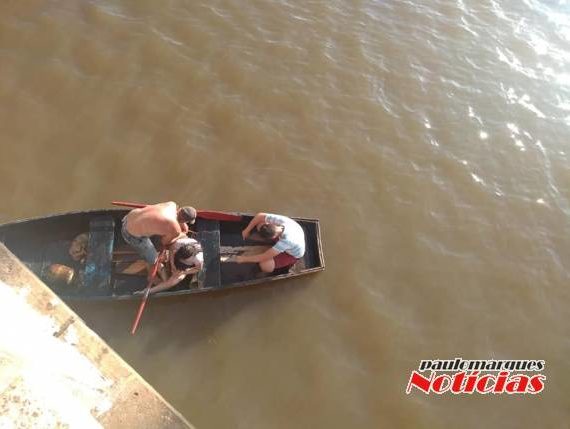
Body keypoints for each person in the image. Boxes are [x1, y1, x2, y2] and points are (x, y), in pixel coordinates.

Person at [121, 201, 197, 272]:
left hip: (128, 218)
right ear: (185, 220)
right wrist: (181, 234)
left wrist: (182, 224)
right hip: (129, 234)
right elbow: (164, 242)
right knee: (153, 259)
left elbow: (175, 216)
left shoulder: (171, 204)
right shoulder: (175, 229)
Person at [136, 233, 203, 295]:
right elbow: (172, 250)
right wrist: (172, 264)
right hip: (175, 256)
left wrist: (184, 272)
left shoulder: (199, 259)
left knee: (177, 279)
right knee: (157, 261)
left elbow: (198, 269)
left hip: (185, 266)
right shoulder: (179, 243)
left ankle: (148, 291)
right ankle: (164, 283)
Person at [236, 212, 305, 272]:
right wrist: (246, 230)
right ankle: (272, 245)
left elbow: (264, 256)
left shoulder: (286, 241)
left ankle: (290, 262)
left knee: (265, 265)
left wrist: (243, 259)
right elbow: (260, 215)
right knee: (260, 224)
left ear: (274, 237)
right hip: (294, 235)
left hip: (292, 254)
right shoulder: (281, 221)